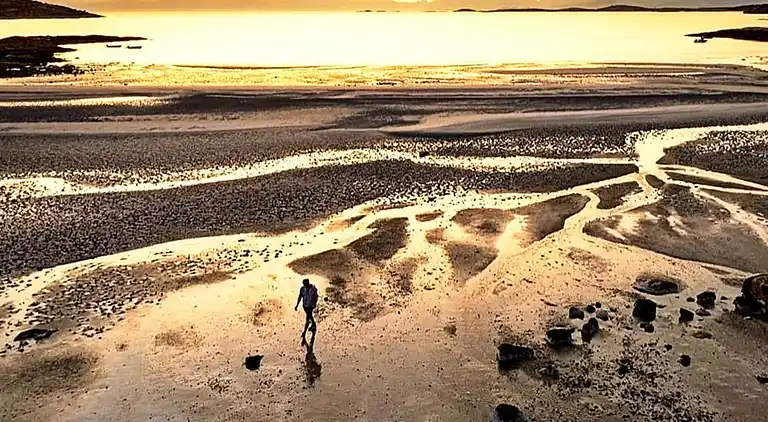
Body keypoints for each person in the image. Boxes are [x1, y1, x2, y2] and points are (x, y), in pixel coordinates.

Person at [294, 278, 319, 343]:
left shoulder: (313, 289)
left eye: (306, 284)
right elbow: (300, 297)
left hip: (311, 305)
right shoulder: (302, 289)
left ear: (308, 283)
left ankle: (304, 332)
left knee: (308, 317)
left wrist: (314, 303)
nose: (305, 286)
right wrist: (297, 305)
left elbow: (316, 297)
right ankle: (313, 324)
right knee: (309, 316)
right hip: (305, 305)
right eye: (304, 285)